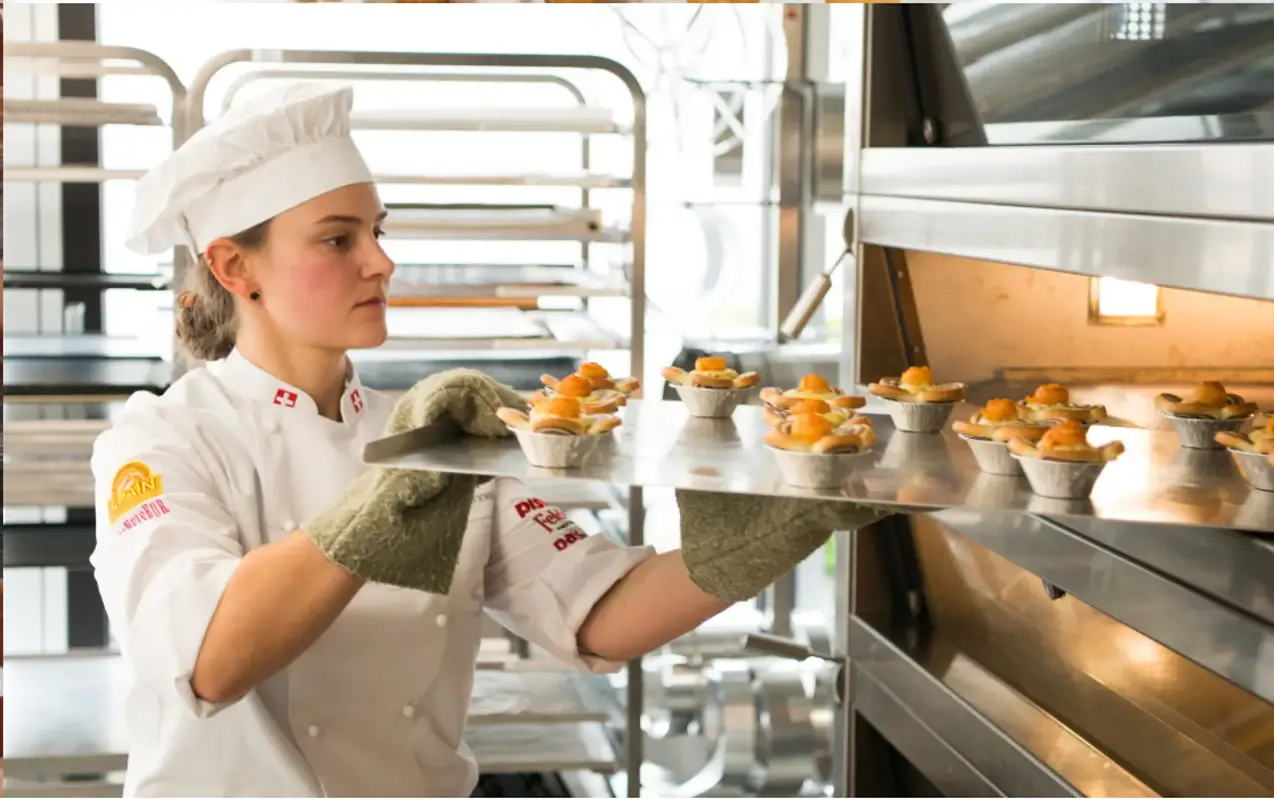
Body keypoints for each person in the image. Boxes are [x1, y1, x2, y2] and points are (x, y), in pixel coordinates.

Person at [91, 82, 895, 797]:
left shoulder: (423, 436)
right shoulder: (158, 444)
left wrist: (769, 535)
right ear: (235, 267)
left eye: (377, 229)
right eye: (339, 239)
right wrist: (383, 505)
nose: (382, 262)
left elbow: (592, 613)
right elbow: (209, 659)